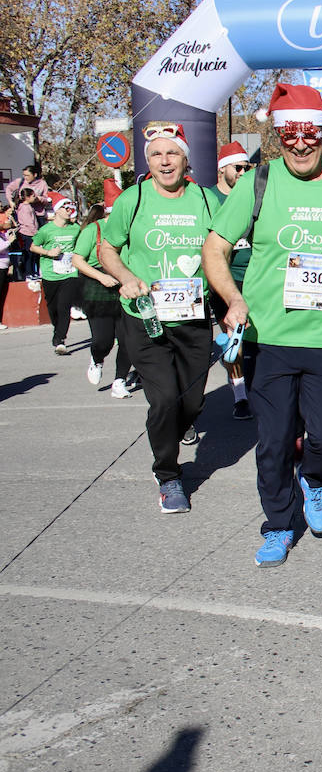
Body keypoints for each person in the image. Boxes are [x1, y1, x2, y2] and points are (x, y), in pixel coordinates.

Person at [203, 85, 322, 567]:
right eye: (290, 132)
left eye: (310, 132)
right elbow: (215, 247)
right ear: (277, 134)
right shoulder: (258, 182)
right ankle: (277, 524)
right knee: (272, 442)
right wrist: (233, 298)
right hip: (269, 340)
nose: (301, 142)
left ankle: (316, 478)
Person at [98, 123, 221, 514]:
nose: (164, 161)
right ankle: (168, 475)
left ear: (186, 159)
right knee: (165, 398)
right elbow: (107, 249)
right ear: (147, 161)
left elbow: (224, 250)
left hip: (193, 316)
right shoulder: (132, 200)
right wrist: (127, 277)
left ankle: (180, 424)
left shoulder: (206, 200)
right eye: (155, 154)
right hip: (145, 317)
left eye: (172, 154)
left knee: (192, 401)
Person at [210, 142, 255, 420]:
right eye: (237, 167)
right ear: (221, 169)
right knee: (233, 338)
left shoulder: (252, 194)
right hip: (226, 281)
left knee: (260, 338)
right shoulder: (209, 198)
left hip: (256, 278)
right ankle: (240, 395)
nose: (242, 172)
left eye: (246, 167)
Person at [71, 204, 131, 393]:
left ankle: (120, 380)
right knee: (103, 339)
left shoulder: (131, 226)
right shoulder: (93, 230)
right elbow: (77, 260)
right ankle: (97, 360)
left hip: (125, 285)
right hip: (98, 285)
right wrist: (101, 277)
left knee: (128, 339)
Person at [30, 196, 82, 354]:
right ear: (57, 210)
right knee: (53, 308)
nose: (69, 211)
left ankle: (60, 340)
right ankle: (57, 331)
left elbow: (80, 246)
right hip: (50, 274)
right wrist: (48, 252)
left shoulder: (75, 228)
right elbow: (33, 246)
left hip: (70, 272)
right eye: (65, 208)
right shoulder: (46, 230)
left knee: (64, 306)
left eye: (70, 208)